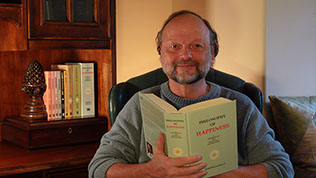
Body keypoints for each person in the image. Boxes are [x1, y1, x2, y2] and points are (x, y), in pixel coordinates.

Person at [89, 10, 294, 178]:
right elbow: (98, 168)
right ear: (161, 53)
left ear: (212, 53)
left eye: (196, 46)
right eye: (174, 46)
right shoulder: (138, 104)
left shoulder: (240, 104)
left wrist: (230, 173)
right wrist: (151, 172)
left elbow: (283, 169)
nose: (185, 55)